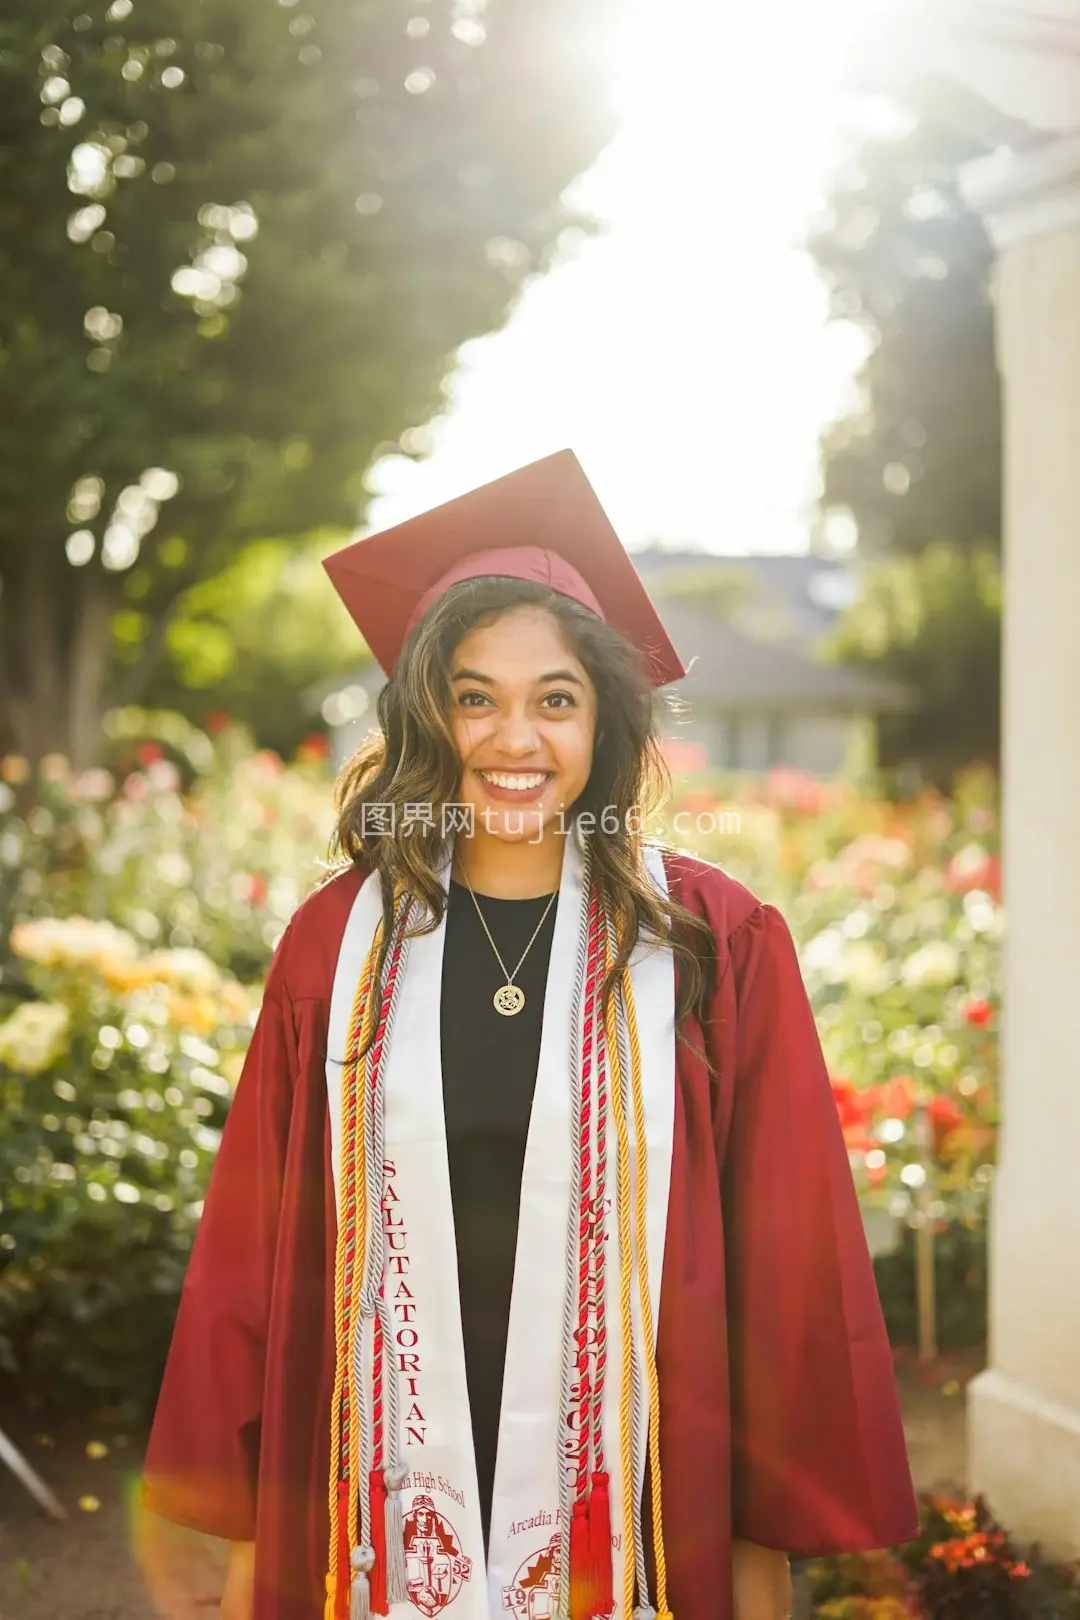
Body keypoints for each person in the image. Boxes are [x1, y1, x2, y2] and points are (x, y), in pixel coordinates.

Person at [142, 451, 918, 1620]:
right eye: (475, 696)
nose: (516, 736)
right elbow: (259, 1250)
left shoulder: (711, 939)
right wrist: (260, 1520)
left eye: (556, 697)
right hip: (378, 1474)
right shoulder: (337, 946)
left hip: (647, 1472)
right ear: (427, 714)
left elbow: (787, 1265)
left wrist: (762, 1544)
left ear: (604, 716)